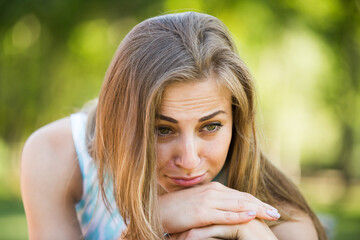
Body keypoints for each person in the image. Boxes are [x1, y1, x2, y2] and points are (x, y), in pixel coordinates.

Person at [21, 12, 327, 240]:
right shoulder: (57, 155)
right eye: (162, 129)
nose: (189, 160)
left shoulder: (281, 218)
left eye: (211, 126)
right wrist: (151, 225)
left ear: (236, 120)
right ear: (120, 120)